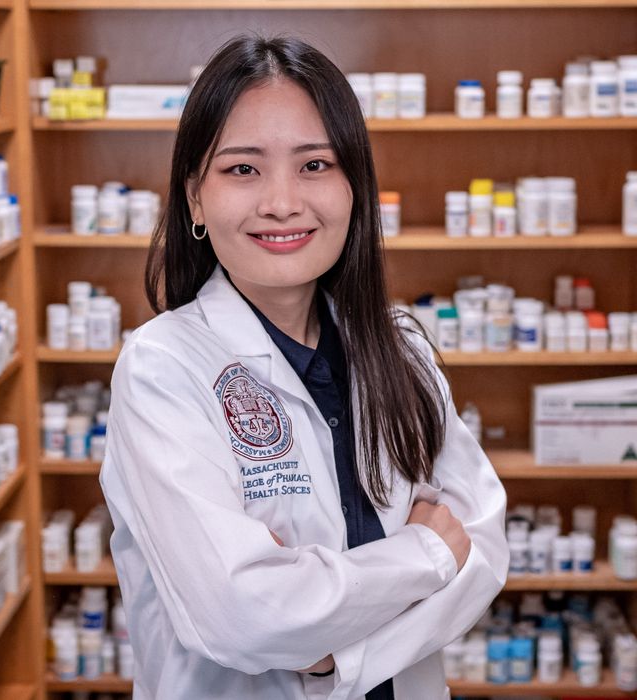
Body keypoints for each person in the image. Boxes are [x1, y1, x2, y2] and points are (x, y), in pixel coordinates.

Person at [99, 35, 508, 699]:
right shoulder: (161, 370)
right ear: (195, 199)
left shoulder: (399, 346)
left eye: (314, 164)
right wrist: (427, 553)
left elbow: (485, 551)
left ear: (355, 189)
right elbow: (244, 614)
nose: (283, 202)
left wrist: (331, 655)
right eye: (242, 170)